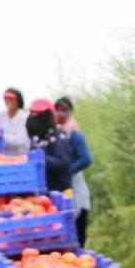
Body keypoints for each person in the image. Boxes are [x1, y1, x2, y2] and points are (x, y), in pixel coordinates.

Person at [54, 96, 92, 245]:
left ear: (71, 111)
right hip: (64, 187)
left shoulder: (74, 133)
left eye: (64, 110)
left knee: (78, 229)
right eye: (57, 109)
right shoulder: (58, 132)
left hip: (76, 186)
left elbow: (86, 158)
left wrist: (67, 171)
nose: (61, 113)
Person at [25, 98, 75, 193]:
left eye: (37, 115)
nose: (33, 118)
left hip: (59, 192)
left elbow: (63, 163)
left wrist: (41, 158)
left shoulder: (58, 137)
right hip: (42, 191)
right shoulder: (36, 138)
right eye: (32, 114)